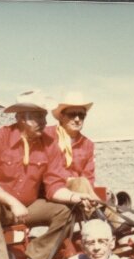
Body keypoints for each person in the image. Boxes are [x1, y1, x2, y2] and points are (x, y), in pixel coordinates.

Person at [0, 90, 89, 259]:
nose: (43, 122)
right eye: (36, 117)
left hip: (28, 208)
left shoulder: (49, 144)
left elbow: (54, 185)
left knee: (67, 211)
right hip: (0, 208)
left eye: (43, 116)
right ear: (20, 118)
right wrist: (12, 202)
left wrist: (75, 197)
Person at [49, 93, 126, 232]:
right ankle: (110, 223)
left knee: (104, 191)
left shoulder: (87, 144)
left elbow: (89, 176)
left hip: (80, 189)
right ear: (61, 116)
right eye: (72, 114)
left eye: (81, 115)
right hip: (53, 188)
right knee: (81, 182)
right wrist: (71, 180)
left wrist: (98, 190)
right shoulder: (47, 136)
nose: (77, 119)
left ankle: (115, 233)